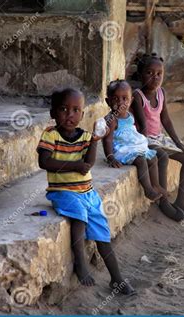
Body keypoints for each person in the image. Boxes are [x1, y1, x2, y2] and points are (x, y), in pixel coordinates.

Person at [37, 87, 135, 295]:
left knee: (102, 233)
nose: (69, 115)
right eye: (63, 109)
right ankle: (80, 263)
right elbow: (44, 162)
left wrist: (95, 141)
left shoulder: (85, 137)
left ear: (82, 114)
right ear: (53, 113)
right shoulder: (50, 135)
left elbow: (88, 163)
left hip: (88, 192)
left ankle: (116, 279)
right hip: (62, 192)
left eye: (75, 110)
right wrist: (73, 166)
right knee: (79, 216)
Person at [131, 53, 184, 221]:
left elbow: (166, 120)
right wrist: (144, 147)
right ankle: (163, 201)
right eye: (149, 73)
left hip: (159, 137)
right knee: (161, 156)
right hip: (144, 139)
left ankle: (181, 202)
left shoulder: (161, 93)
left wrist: (177, 142)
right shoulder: (138, 96)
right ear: (140, 75)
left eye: (159, 74)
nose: (155, 77)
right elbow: (142, 125)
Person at [102, 79, 167, 201]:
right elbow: (107, 140)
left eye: (124, 98)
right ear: (108, 101)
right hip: (122, 150)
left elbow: (132, 132)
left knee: (153, 158)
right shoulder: (111, 119)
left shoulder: (129, 116)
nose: (120, 102)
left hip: (133, 147)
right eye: (115, 99)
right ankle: (148, 190)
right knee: (141, 161)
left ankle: (156, 185)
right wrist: (110, 157)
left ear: (131, 101)